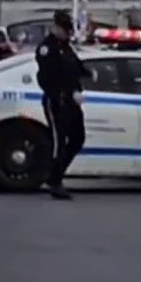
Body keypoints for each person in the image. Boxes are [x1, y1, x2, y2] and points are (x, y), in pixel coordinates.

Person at [34, 10, 91, 200]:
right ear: (55, 27)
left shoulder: (66, 47)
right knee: (59, 142)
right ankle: (55, 181)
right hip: (56, 100)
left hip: (71, 100)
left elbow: (74, 67)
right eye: (64, 29)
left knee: (78, 138)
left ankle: (54, 175)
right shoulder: (47, 48)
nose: (67, 33)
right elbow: (48, 76)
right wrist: (67, 91)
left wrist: (88, 74)